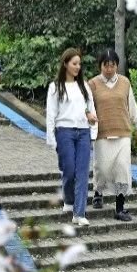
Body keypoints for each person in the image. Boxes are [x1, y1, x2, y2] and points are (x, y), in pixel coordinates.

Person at [88, 48, 137, 222]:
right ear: (100, 66)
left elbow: (132, 106)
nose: (109, 69)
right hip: (102, 133)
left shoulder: (125, 83)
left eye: (112, 65)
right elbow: (86, 106)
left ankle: (120, 208)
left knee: (122, 169)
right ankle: (98, 191)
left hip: (122, 133)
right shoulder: (93, 84)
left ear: (117, 66)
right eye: (106, 65)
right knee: (102, 168)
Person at [46, 48, 98, 227]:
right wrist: (52, 140)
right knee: (68, 171)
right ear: (65, 64)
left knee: (82, 173)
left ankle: (79, 213)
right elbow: (51, 115)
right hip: (64, 132)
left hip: (83, 132)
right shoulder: (55, 87)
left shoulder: (84, 85)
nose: (78, 67)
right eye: (74, 63)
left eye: (79, 64)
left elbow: (91, 110)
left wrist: (92, 125)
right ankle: (68, 200)